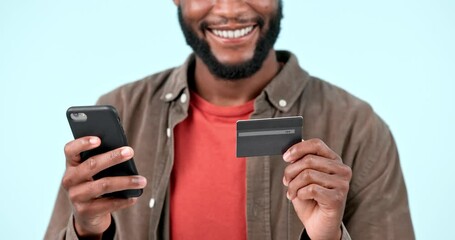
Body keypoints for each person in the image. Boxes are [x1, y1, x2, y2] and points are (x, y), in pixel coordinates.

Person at [45, 0, 415, 239]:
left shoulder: (358, 126)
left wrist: (327, 237)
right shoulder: (123, 109)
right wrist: (87, 230)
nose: (229, 9)